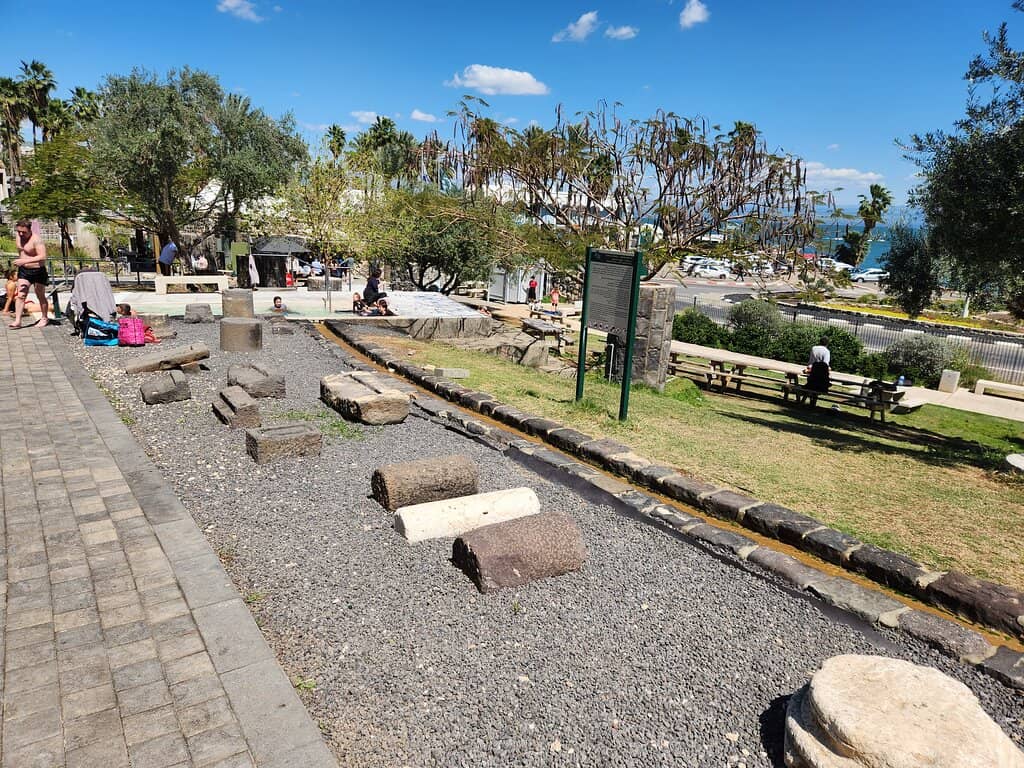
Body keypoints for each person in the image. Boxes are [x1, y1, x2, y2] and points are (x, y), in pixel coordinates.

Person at [9, 219, 49, 328]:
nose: (21, 234)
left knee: (40, 295)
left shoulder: (36, 240)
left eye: (24, 232)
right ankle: (18, 321)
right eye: (19, 231)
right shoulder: (19, 236)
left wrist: (24, 261)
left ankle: (44, 317)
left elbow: (43, 256)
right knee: (21, 295)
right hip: (24, 271)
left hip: (38, 270)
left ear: (30, 230)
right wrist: (21, 262)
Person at [802, 336, 832, 405]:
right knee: (816, 386)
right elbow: (825, 364)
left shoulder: (814, 348)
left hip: (811, 371)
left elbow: (811, 361)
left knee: (810, 385)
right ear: (827, 343)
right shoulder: (826, 351)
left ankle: (804, 401)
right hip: (820, 374)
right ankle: (813, 403)